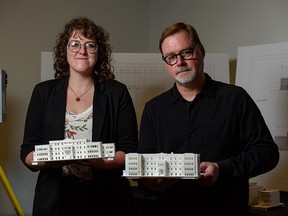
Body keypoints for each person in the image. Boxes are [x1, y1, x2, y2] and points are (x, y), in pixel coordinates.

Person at [137, 22, 279, 215]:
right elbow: (143, 168)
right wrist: (151, 184)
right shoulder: (154, 109)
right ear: (166, 63)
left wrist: (222, 169)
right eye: (171, 57)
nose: (180, 62)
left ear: (201, 51)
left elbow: (267, 153)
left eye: (186, 52)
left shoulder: (235, 99)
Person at [20, 16, 138, 215]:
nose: (82, 51)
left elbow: (129, 150)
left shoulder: (117, 93)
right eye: (75, 44)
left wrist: (98, 161)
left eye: (90, 45)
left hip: (107, 200)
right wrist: (51, 160)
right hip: (53, 201)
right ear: (64, 50)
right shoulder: (43, 92)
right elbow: (27, 152)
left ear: (98, 52)